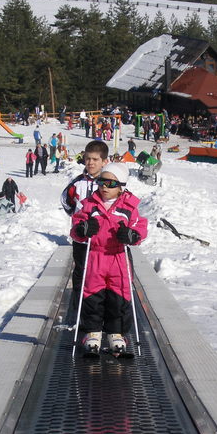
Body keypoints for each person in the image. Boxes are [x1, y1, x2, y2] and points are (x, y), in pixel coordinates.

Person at [70, 162, 147, 354]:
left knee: (119, 295)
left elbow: (139, 226)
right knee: (92, 295)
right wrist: (83, 229)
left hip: (118, 257)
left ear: (121, 187)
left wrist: (132, 235)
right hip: (95, 255)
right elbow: (76, 225)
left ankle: (116, 332)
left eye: (111, 184)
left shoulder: (129, 206)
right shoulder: (89, 204)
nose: (105, 186)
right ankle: (93, 331)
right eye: (102, 182)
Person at [61, 140, 109, 320]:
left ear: (104, 161)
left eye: (95, 159)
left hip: (105, 240)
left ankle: (104, 314)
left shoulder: (110, 183)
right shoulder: (77, 183)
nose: (91, 163)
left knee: (104, 276)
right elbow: (65, 201)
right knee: (81, 273)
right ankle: (80, 312)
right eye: (88, 159)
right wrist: (77, 218)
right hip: (82, 239)